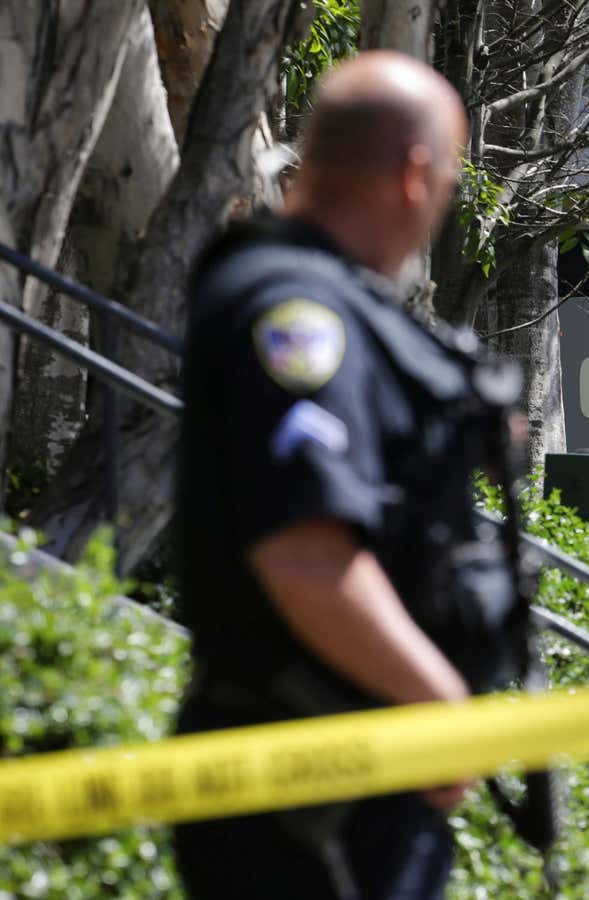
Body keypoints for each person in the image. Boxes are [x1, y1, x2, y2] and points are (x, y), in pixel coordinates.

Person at [172, 51, 528, 900]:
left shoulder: (332, 301)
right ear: (413, 174)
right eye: (449, 177)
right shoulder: (298, 313)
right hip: (310, 794)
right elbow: (305, 550)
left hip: (348, 780)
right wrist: (437, 702)